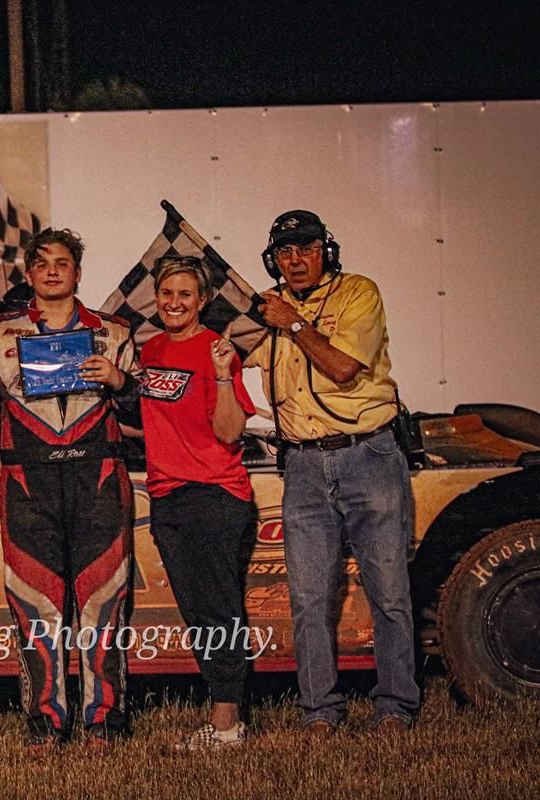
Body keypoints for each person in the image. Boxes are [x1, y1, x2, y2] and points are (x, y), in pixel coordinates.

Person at [0, 228, 137, 753]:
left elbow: (145, 416)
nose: (53, 271)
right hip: (27, 478)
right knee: (34, 603)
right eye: (43, 264)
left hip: (98, 475)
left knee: (104, 600)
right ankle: (45, 721)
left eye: (64, 263)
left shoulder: (116, 333)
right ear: (30, 274)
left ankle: (104, 719)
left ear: (78, 273)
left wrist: (121, 383)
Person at [245, 209, 419, 736]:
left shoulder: (357, 293)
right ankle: (319, 710)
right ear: (273, 259)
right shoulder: (270, 311)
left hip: (368, 454)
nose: (295, 260)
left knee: (388, 589)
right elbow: (233, 362)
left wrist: (293, 324)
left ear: (327, 250)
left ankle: (395, 706)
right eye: (285, 251)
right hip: (301, 462)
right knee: (308, 595)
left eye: (306, 248)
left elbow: (344, 367)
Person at [136, 256, 257, 750]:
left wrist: (224, 375)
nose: (174, 302)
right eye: (167, 293)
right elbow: (148, 421)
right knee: (197, 612)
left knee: (217, 610)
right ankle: (223, 715)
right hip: (166, 497)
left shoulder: (217, 351)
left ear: (202, 301)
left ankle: (228, 724)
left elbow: (230, 431)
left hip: (215, 494)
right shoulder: (151, 351)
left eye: (186, 294)